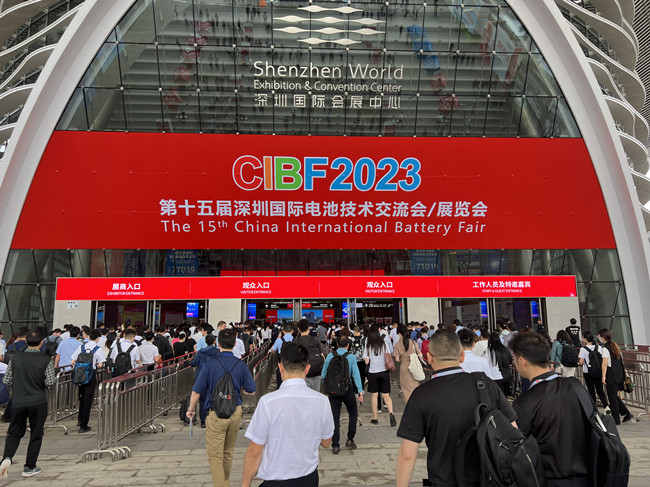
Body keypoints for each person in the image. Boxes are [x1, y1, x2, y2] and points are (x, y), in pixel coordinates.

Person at [395, 330, 517, 487]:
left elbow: (407, 454)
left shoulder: (421, 395)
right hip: (488, 479)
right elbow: (512, 431)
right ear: (462, 356)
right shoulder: (485, 384)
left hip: (443, 480)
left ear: (429, 357)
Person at [242, 342, 334, 486]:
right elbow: (327, 442)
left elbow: (255, 451)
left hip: (276, 481)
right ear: (307, 369)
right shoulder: (322, 401)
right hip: (309, 478)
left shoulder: (268, 402)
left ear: (280, 367)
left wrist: (245, 484)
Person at [509, 331, 591, 487]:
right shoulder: (576, 388)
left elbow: (518, 448)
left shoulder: (525, 403)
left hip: (550, 480)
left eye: (514, 358)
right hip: (588, 478)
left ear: (522, 360)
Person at [186, 328, 255, 487]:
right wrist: (239, 391)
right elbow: (251, 390)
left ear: (218, 343)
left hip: (215, 413)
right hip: (235, 411)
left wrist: (191, 409)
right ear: (235, 343)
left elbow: (196, 391)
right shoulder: (241, 364)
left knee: (215, 455)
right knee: (228, 452)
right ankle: (225, 482)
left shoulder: (210, 364)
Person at [0, 329, 56, 479]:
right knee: (36, 434)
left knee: (14, 432)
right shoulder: (46, 360)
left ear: (26, 341)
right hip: (38, 401)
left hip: (18, 401)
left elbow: (7, 380)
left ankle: (7, 457)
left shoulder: (16, 359)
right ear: (41, 342)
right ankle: (29, 466)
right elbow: (50, 382)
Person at [321, 336, 362, 454]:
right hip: (347, 388)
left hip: (333, 390)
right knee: (353, 413)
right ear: (348, 345)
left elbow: (323, 374)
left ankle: (335, 444)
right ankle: (350, 438)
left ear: (337, 344)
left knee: (335, 417)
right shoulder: (351, 357)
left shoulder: (330, 356)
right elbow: (356, 374)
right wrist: (360, 390)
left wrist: (328, 386)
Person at [70, 328, 105, 433]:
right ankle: (84, 425)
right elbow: (100, 364)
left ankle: (80, 420)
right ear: (98, 338)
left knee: (81, 398)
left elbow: (73, 361)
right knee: (88, 399)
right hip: (90, 375)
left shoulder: (82, 346)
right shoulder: (98, 349)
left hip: (80, 374)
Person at [598, 329, 633, 424]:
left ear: (603, 337)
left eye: (599, 336)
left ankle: (616, 419)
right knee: (614, 396)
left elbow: (605, 363)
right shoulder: (615, 346)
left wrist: (603, 376)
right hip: (619, 375)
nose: (598, 337)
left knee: (612, 398)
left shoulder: (605, 348)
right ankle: (626, 413)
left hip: (611, 376)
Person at [363, 325, 396, 427]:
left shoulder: (368, 345)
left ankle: (375, 418)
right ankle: (391, 413)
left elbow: (366, 361)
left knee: (374, 395)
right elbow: (388, 356)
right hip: (384, 372)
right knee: (386, 395)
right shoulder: (384, 344)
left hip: (373, 372)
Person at [190, 334, 220, 428]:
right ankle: (215, 419)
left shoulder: (201, 352)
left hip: (202, 377)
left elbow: (193, 363)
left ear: (205, 341)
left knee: (202, 400)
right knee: (216, 398)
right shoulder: (218, 352)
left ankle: (203, 421)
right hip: (215, 378)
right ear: (214, 341)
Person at [578, 331, 609, 411]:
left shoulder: (583, 349)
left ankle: (594, 409)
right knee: (600, 390)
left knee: (591, 390)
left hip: (588, 372)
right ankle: (606, 406)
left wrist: (578, 363)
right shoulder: (599, 347)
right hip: (598, 371)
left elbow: (581, 362)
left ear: (585, 339)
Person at [392, 325, 424, 403]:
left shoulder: (398, 344)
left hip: (404, 367)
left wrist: (403, 358)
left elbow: (397, 359)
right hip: (414, 366)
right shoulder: (413, 342)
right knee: (414, 386)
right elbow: (420, 354)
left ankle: (408, 405)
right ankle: (416, 403)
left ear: (400, 334)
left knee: (405, 389)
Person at [294, 319, 326, 392]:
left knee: (304, 394)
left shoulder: (296, 342)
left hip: (303, 373)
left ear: (298, 329)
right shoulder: (315, 340)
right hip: (317, 372)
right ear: (308, 328)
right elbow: (322, 356)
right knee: (315, 394)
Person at [486, 332, 512, 396]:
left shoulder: (489, 351)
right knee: (504, 397)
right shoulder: (505, 349)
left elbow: (485, 362)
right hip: (507, 376)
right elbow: (510, 362)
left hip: (495, 377)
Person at [272, 323, 294, 388]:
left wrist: (278, 338)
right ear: (292, 331)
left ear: (283, 331)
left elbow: (272, 350)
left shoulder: (279, 340)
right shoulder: (296, 340)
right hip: (293, 367)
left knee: (280, 386)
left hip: (282, 366)